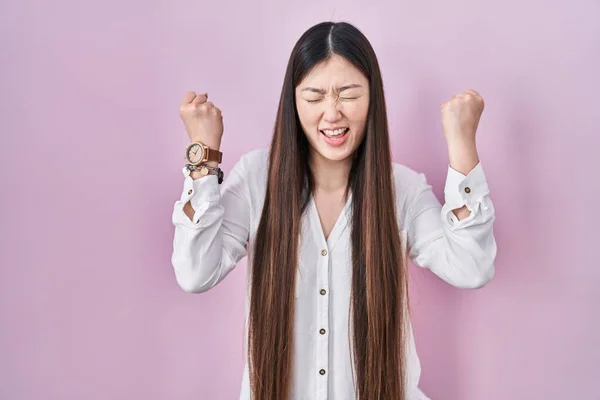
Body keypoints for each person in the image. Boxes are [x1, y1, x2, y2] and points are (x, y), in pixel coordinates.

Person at [171, 21, 496, 400]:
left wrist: (462, 147)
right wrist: (203, 156)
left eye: (348, 94)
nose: (332, 113)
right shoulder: (257, 180)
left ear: (373, 95)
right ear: (293, 102)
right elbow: (195, 272)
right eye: (314, 97)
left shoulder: (401, 190)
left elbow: (472, 266)